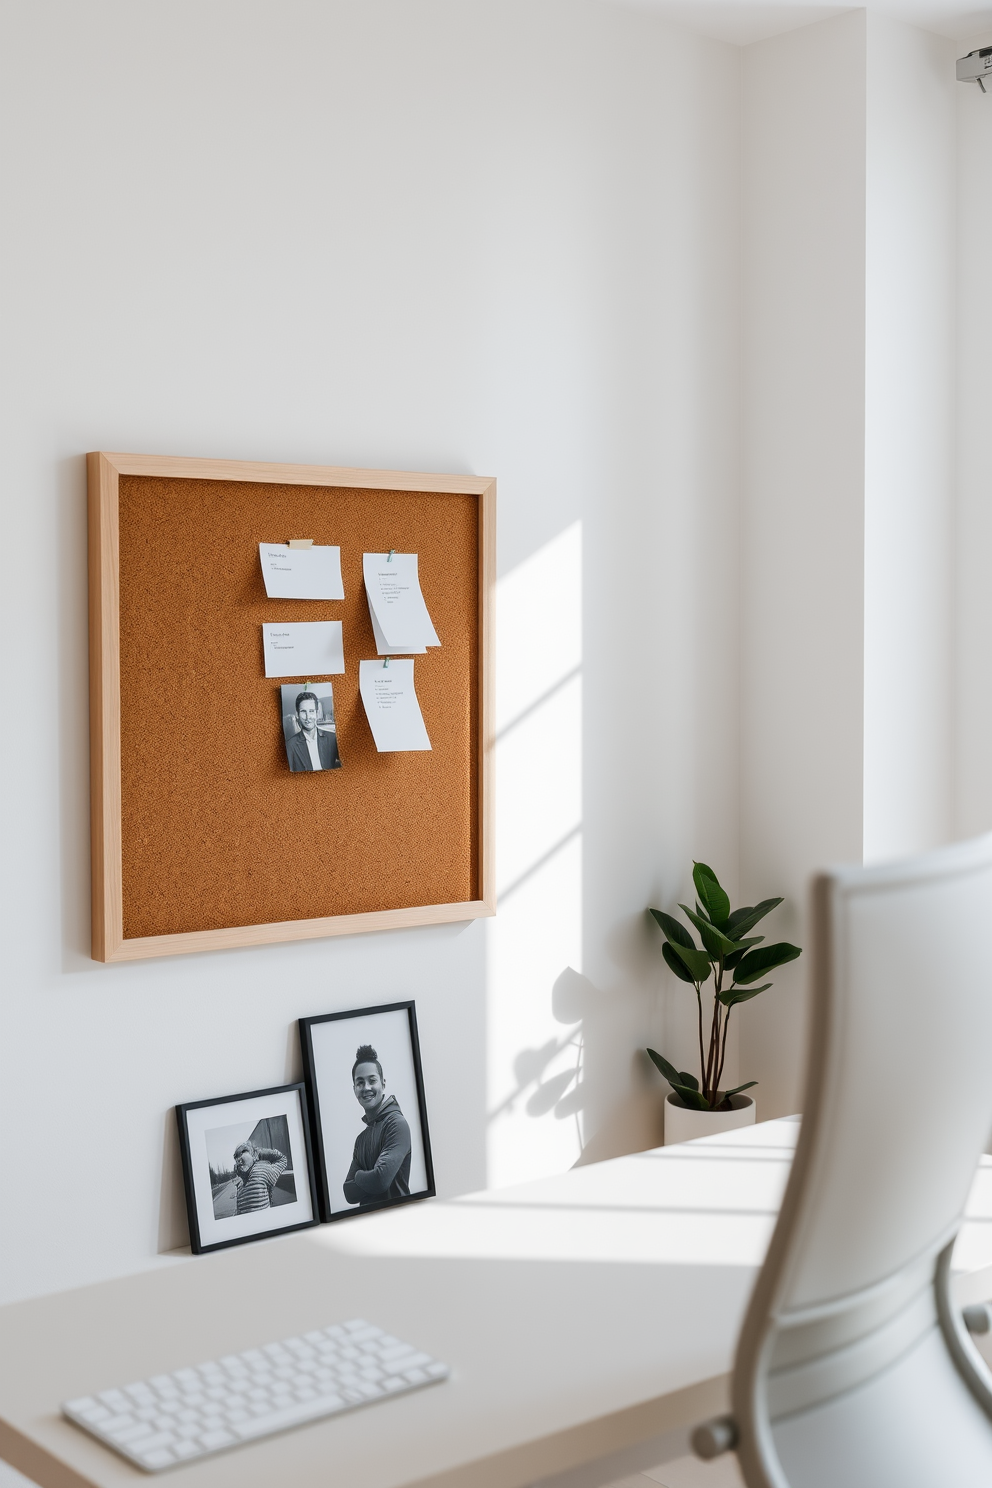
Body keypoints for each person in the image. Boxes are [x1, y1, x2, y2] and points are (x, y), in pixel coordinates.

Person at [342, 1044, 412, 1206]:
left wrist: (358, 1176)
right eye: (360, 1083)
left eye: (372, 1080)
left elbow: (380, 1180)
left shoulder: (396, 1124)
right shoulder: (361, 1139)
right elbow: (349, 1193)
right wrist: (368, 1178)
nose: (366, 1088)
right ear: (354, 1089)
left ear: (383, 1083)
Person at [286, 690, 341, 773]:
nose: (308, 717)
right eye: (303, 711)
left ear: (317, 713)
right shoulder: (290, 745)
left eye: (311, 711)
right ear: (297, 714)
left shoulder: (332, 738)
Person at [233, 1140, 287, 1213]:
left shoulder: (262, 1170)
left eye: (243, 1152)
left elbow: (282, 1159)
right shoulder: (239, 1183)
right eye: (236, 1156)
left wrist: (260, 1153)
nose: (239, 1159)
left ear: (253, 1155)